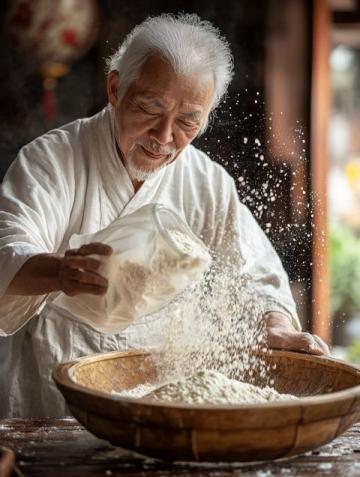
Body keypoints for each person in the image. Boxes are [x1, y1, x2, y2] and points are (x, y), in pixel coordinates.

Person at [0, 13, 329, 417]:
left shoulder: (206, 183)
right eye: (149, 108)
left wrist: (276, 324)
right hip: (54, 398)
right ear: (115, 88)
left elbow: (254, 273)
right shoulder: (51, 161)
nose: (165, 137)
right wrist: (59, 271)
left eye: (188, 122)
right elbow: (8, 246)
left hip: (159, 402)